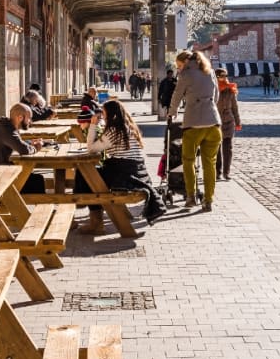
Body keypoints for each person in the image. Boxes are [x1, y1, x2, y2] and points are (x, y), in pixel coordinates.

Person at [75, 99, 165, 233]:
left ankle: (94, 219)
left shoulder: (114, 130)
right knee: (91, 175)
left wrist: (93, 125)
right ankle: (85, 205)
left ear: (110, 114)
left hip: (124, 175)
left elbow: (91, 148)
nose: (103, 117)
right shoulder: (128, 127)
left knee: (86, 175)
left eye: (104, 114)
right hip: (136, 173)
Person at [167, 50, 222, 211]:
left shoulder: (186, 74)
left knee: (188, 161)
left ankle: (191, 196)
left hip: (193, 124)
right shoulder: (210, 71)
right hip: (213, 124)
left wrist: (172, 113)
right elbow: (216, 96)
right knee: (209, 164)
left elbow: (177, 96)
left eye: (178, 65)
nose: (178, 69)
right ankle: (208, 199)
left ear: (184, 62)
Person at [0, 103, 46, 192]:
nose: (30, 121)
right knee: (37, 181)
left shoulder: (5, 127)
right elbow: (23, 150)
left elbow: (17, 143)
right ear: (20, 117)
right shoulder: (6, 129)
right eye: (29, 118)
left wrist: (29, 143)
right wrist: (37, 147)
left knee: (33, 178)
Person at [214, 69, 242, 181]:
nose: (224, 78)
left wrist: (238, 121)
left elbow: (235, 107)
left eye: (225, 76)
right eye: (221, 76)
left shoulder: (230, 89)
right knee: (217, 147)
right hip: (216, 121)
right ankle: (217, 172)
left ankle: (226, 172)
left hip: (229, 121)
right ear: (216, 77)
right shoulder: (213, 89)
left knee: (228, 147)